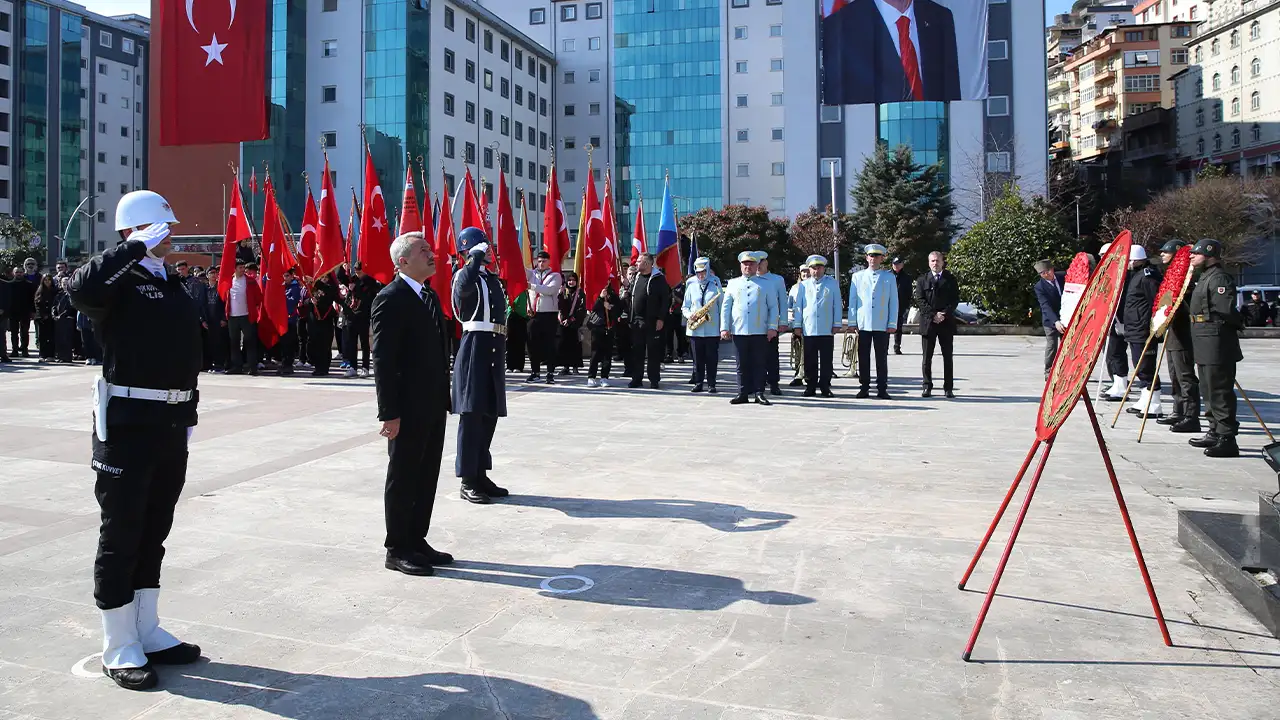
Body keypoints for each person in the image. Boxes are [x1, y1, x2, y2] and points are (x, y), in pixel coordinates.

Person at [69, 190, 203, 691]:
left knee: (154, 529)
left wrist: (188, 410)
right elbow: (81, 289)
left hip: (169, 423)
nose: (171, 234)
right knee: (122, 532)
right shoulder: (118, 281)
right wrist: (131, 248)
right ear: (140, 230)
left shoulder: (169, 282)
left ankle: (147, 629)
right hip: (127, 425)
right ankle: (119, 642)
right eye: (161, 228)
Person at [371, 232, 452, 577]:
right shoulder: (391, 298)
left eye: (430, 249)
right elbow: (384, 360)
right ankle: (397, 547)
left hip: (433, 404)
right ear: (403, 261)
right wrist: (389, 413)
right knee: (403, 476)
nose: (432, 254)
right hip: (407, 408)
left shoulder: (428, 296)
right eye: (423, 251)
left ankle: (417, 539)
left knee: (426, 475)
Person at [452, 227, 511, 504]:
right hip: (475, 344)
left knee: (490, 413)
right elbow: (463, 288)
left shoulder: (491, 279)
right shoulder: (465, 276)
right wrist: (472, 260)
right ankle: (467, 479)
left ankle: (480, 473)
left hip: (494, 345)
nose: (488, 252)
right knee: (472, 414)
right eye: (482, 249)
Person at [820, 0, 962, 106]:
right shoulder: (838, 28)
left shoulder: (940, 18)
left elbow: (951, 97)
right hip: (873, 141)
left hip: (935, 139)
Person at [1186, 239, 1244, 458]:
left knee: (1219, 390)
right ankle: (1214, 430)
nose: (1191, 256)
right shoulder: (1205, 277)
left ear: (1209, 254)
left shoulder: (1219, 277)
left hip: (1215, 339)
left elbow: (1226, 309)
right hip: (1204, 337)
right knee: (1207, 388)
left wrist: (1238, 324)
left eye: (1196, 253)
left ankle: (1227, 437)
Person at [720, 251, 779, 405]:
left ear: (756, 266)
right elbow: (726, 308)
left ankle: (759, 393)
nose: (748, 266)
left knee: (759, 363)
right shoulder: (733, 283)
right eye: (745, 264)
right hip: (739, 330)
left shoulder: (766, 284)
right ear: (741, 266)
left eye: (751, 264)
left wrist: (772, 327)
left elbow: (773, 307)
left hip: (759, 330)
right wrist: (724, 328)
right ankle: (742, 392)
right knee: (741, 364)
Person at [1155, 240, 1201, 434]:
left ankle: (1191, 416)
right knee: (1174, 375)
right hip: (1172, 333)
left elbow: (1190, 307)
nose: (1162, 255)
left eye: (1165, 252)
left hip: (1183, 334)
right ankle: (1178, 410)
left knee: (1185, 376)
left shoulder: (1188, 278)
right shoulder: (1171, 277)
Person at [848, 243, 899, 399]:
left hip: (882, 324)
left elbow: (893, 301)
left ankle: (882, 388)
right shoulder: (857, 276)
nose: (873, 259)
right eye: (871, 256)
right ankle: (864, 387)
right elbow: (853, 301)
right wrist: (852, 322)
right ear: (866, 258)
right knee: (863, 358)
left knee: (881, 358)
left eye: (877, 256)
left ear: (882, 258)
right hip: (863, 324)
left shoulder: (889, 277)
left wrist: (892, 323)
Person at [791, 255, 843, 397]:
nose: (816, 271)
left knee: (826, 360)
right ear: (809, 269)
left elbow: (837, 304)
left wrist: (837, 323)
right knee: (809, 360)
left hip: (826, 328)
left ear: (824, 268)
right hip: (809, 328)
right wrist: (797, 325)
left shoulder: (832, 283)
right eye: (814, 268)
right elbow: (799, 307)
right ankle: (810, 386)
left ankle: (825, 386)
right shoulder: (803, 285)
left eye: (819, 268)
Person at [1122, 245, 1164, 418]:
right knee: (1139, 366)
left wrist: (1155, 327)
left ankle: (1154, 404)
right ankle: (1145, 399)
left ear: (1137, 260)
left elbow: (1156, 301)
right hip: (1134, 328)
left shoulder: (1148, 276)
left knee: (1146, 366)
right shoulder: (1136, 275)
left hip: (1143, 328)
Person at [915, 251, 959, 398]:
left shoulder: (951, 279)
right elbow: (920, 300)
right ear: (929, 263)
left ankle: (948, 388)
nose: (935, 263)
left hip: (946, 323)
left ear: (942, 262)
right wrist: (934, 315)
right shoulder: (922, 280)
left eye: (938, 261)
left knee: (948, 357)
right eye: (932, 261)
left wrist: (943, 314)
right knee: (927, 358)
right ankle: (927, 386)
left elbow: (954, 300)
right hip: (929, 323)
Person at [627, 253, 671, 389]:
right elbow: (631, 296)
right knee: (637, 351)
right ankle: (637, 379)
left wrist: (661, 318)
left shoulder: (659, 279)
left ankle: (654, 379)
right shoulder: (636, 277)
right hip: (637, 321)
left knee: (653, 352)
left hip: (653, 322)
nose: (636, 263)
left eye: (639, 261)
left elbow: (666, 300)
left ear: (647, 263)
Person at [681, 257, 723, 393]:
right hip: (695, 328)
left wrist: (724, 327)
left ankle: (712, 384)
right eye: (698, 272)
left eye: (703, 272)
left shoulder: (716, 283)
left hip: (712, 328)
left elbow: (722, 306)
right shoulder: (691, 285)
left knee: (712, 358)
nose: (701, 275)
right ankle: (698, 382)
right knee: (697, 358)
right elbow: (685, 307)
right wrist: (689, 315)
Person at [525, 251, 562, 383]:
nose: (541, 264)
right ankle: (535, 372)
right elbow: (519, 269)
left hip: (548, 314)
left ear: (549, 262)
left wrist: (532, 286)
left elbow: (549, 290)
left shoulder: (555, 276)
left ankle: (550, 372)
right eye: (539, 261)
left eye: (544, 261)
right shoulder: (532, 274)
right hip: (533, 314)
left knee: (549, 344)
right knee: (532, 344)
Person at [1099, 242, 1130, 400]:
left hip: (1122, 319)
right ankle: (1118, 383)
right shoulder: (1108, 273)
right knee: (1113, 353)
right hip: (1112, 319)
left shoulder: (1123, 273)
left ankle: (1122, 385)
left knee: (1118, 352)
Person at [756, 253, 789, 396]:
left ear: (766, 263)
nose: (758, 265)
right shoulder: (751, 279)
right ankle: (758, 382)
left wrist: (782, 322)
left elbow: (783, 302)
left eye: (760, 262)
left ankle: (774, 383)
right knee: (756, 356)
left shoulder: (776, 280)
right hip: (754, 325)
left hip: (771, 325)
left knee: (772, 356)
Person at [341, 263, 379, 378]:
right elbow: (340, 278)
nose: (357, 273)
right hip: (351, 315)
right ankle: (352, 366)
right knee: (351, 342)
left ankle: (365, 367)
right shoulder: (353, 279)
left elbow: (368, 296)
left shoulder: (370, 281)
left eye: (359, 271)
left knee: (364, 343)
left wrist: (355, 288)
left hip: (363, 315)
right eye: (355, 270)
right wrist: (343, 268)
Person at [226, 259, 262, 375]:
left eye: (243, 268)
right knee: (234, 342)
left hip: (247, 316)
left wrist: (252, 307)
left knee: (250, 342)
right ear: (234, 269)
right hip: (233, 317)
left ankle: (252, 367)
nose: (243, 270)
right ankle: (237, 366)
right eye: (240, 268)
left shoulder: (250, 281)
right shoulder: (228, 281)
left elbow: (258, 297)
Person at [1034, 260, 1066, 379]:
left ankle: (1065, 369)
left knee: (1067, 345)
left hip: (1066, 316)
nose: (1045, 275)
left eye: (1046, 271)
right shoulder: (1039, 287)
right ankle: (1049, 371)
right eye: (1042, 273)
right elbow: (1045, 306)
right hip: (1050, 319)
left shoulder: (1063, 276)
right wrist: (1055, 321)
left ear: (1052, 269)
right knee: (1052, 345)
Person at [586, 286, 623, 387]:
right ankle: (591, 376)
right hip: (597, 327)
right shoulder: (595, 292)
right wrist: (600, 298)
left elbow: (620, 308)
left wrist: (610, 307)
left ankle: (604, 377)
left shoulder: (613, 294)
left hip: (609, 327)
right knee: (595, 353)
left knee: (607, 354)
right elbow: (591, 308)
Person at [307, 274, 340, 377]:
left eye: (326, 278)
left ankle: (324, 368)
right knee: (315, 345)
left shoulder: (331, 288)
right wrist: (311, 301)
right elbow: (306, 300)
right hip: (315, 321)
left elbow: (330, 296)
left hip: (326, 321)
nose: (325, 280)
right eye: (323, 277)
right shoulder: (315, 288)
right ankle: (317, 367)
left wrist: (315, 281)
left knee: (325, 346)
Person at [557, 270, 587, 375]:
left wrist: (571, 320)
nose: (571, 282)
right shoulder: (563, 292)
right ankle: (566, 367)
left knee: (575, 345)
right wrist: (559, 294)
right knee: (564, 344)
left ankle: (575, 366)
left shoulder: (580, 293)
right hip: (563, 324)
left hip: (574, 323)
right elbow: (559, 306)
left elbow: (581, 309)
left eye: (573, 280)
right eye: (569, 280)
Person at [10, 258, 38, 357]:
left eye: (21, 272)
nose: (19, 274)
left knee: (24, 332)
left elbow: (33, 299)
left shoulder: (29, 285)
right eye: (17, 272)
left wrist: (33, 311)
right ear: (14, 273)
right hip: (12, 312)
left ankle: (25, 350)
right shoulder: (10, 285)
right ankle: (14, 350)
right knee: (14, 333)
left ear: (23, 273)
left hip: (25, 312)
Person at [788, 267, 811, 387]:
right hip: (797, 323)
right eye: (803, 271)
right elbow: (790, 306)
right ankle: (798, 374)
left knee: (809, 352)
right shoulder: (794, 288)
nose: (805, 273)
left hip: (810, 325)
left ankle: (809, 376)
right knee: (798, 351)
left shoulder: (813, 286)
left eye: (807, 271)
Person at [201, 267, 227, 372]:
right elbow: (201, 305)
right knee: (209, 343)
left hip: (218, 320)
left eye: (215, 273)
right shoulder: (204, 289)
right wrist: (202, 320)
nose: (213, 275)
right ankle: (210, 364)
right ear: (207, 276)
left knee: (219, 343)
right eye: (211, 273)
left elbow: (226, 304)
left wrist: (224, 318)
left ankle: (219, 364)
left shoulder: (221, 288)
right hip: (208, 320)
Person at [279, 268, 302, 376]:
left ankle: (288, 365)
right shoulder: (282, 286)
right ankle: (283, 363)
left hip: (290, 319)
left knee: (289, 343)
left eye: (287, 276)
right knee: (283, 344)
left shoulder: (295, 287)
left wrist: (282, 298)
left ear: (292, 276)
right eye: (284, 276)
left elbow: (293, 302)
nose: (285, 278)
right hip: (282, 320)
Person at [891, 257, 912, 355]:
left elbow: (909, 293)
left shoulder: (906, 277)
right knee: (885, 328)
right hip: (887, 306)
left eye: (898, 264)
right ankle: (884, 347)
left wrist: (905, 306)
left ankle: (897, 347)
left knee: (898, 328)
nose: (896, 266)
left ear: (902, 265)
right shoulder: (887, 275)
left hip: (900, 306)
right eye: (894, 264)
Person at [33, 274, 57, 361]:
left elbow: (56, 304)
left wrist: (51, 314)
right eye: (45, 280)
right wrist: (42, 315)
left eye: (49, 280)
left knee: (51, 337)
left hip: (52, 317)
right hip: (41, 318)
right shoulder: (39, 291)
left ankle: (51, 355)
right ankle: (42, 355)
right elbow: (37, 305)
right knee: (42, 337)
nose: (47, 282)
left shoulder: (55, 291)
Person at [54, 277, 77, 363]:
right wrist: (54, 314)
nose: (65, 285)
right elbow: (54, 305)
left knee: (66, 339)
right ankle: (60, 356)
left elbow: (70, 308)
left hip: (68, 319)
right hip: (58, 320)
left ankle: (67, 357)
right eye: (63, 284)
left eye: (67, 284)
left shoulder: (72, 294)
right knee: (59, 338)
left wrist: (61, 315)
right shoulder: (59, 295)